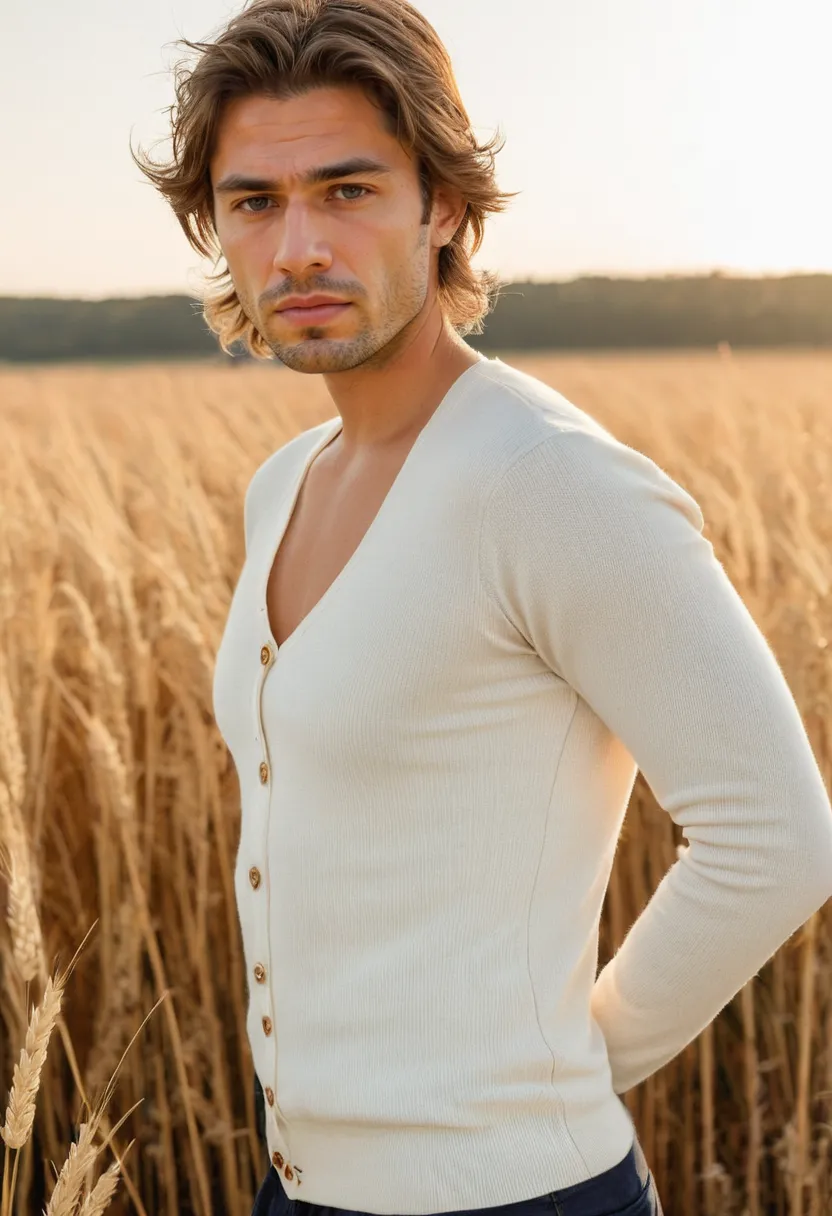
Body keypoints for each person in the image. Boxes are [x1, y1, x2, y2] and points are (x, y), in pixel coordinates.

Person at [134, 2, 832, 1214]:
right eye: (255, 201)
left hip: (517, 1195)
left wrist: (555, 1078)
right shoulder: (284, 485)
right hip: (299, 1190)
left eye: (346, 190)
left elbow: (777, 833)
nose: (297, 246)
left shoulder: (549, 480)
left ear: (442, 205)